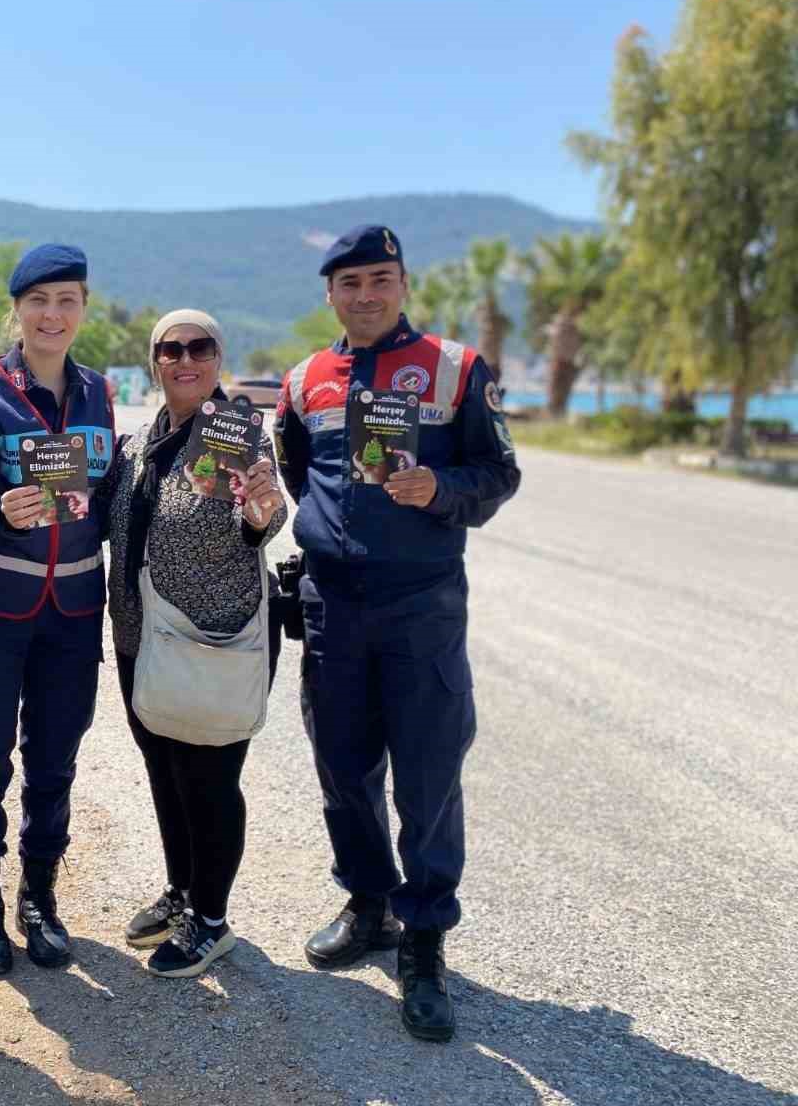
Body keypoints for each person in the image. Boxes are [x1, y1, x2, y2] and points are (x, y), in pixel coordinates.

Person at [274, 224, 521, 1042]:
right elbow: (303, 471)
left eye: (381, 279)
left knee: (425, 775)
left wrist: (437, 489)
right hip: (332, 606)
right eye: (350, 283)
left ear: (404, 284)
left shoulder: (455, 369)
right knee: (343, 767)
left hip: (421, 607)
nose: (366, 294)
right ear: (330, 295)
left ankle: (424, 941)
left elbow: (498, 474)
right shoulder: (306, 378)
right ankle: (369, 905)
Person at [0, 243, 116, 975]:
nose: (53, 314)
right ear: (17, 309)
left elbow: (108, 503)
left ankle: (39, 897)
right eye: (39, 300)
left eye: (68, 300)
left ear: (83, 310)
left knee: (54, 761)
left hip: (71, 613)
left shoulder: (98, 396)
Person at [104, 310, 287, 977]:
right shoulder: (141, 441)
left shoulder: (237, 435)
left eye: (200, 347)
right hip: (140, 637)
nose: (185, 360)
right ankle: (181, 891)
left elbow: (264, 514)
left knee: (209, 783)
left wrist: (260, 511)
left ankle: (211, 920)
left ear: (218, 356)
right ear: (154, 361)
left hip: (213, 639)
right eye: (170, 349)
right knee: (163, 773)